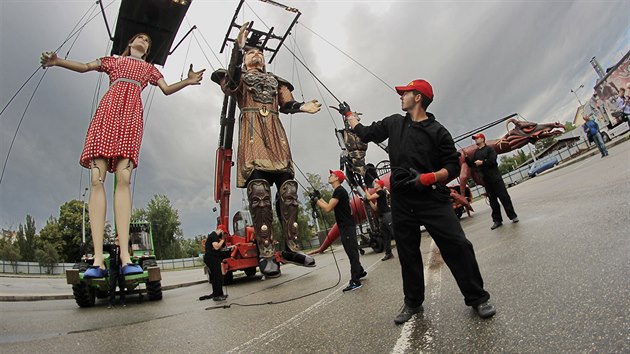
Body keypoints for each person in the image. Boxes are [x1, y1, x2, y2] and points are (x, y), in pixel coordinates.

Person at [40, 33, 205, 278]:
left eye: (148, 41)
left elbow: (167, 89)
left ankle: (126, 256)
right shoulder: (113, 61)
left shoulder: (149, 70)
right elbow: (86, 67)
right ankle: (98, 259)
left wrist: (188, 81)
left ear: (148, 50)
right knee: (97, 179)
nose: (143, 41)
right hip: (107, 113)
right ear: (129, 43)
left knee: (124, 180)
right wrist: (57, 61)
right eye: (139, 38)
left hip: (130, 118)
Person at [346, 79, 495, 324]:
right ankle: (413, 303)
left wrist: (429, 178)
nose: (401, 96)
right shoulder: (394, 123)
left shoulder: (438, 131)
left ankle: (478, 298)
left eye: (405, 93)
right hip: (402, 201)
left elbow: (453, 166)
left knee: (457, 245)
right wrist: (349, 115)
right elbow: (366, 132)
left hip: (432, 199)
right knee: (407, 252)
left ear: (418, 97)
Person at [211, 24, 320, 276]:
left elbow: (287, 103)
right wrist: (238, 48)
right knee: (259, 193)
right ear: (244, 58)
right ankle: (266, 252)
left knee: (289, 191)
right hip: (252, 134)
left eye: (259, 53)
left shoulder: (276, 80)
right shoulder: (237, 75)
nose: (256, 55)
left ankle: (292, 246)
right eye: (251, 53)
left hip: (275, 133)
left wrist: (302, 107)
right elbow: (231, 85)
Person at [312, 170, 366, 292]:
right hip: (346, 226)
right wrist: (319, 198)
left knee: (352, 253)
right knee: (351, 250)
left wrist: (316, 200)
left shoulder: (339, 191)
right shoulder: (339, 191)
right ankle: (360, 271)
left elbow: (327, 208)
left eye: (331, 175)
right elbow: (329, 205)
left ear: (337, 178)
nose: (329, 176)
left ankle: (355, 281)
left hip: (346, 227)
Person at [466, 133, 519, 230]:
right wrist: (466, 158)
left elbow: (493, 162)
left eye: (477, 138)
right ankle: (497, 221)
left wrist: (482, 162)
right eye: (475, 139)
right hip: (486, 181)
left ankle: (513, 216)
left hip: (496, 179)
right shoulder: (476, 153)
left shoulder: (490, 149)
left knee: (504, 198)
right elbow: (472, 165)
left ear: (482, 139)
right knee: (493, 201)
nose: (475, 140)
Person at [363, 180, 394, 260]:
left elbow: (369, 197)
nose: (374, 184)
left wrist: (365, 189)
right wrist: (368, 201)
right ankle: (388, 253)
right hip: (381, 217)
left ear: (380, 185)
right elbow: (375, 208)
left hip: (387, 215)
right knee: (385, 236)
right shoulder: (378, 196)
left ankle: (405, 249)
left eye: (376, 183)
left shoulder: (381, 192)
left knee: (394, 232)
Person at [200, 225, 229, 302]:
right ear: (221, 231)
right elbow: (216, 247)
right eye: (223, 233)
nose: (223, 235)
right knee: (216, 276)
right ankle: (216, 295)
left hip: (214, 258)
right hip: (211, 258)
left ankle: (220, 293)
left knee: (218, 276)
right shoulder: (213, 235)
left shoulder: (215, 237)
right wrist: (222, 240)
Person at [104, 235, 125, 308]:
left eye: (120, 237)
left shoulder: (123, 247)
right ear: (116, 238)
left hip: (120, 268)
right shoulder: (111, 247)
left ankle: (122, 301)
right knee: (112, 286)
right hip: (113, 269)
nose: (118, 239)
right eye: (117, 237)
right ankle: (111, 303)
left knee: (122, 285)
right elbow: (102, 247)